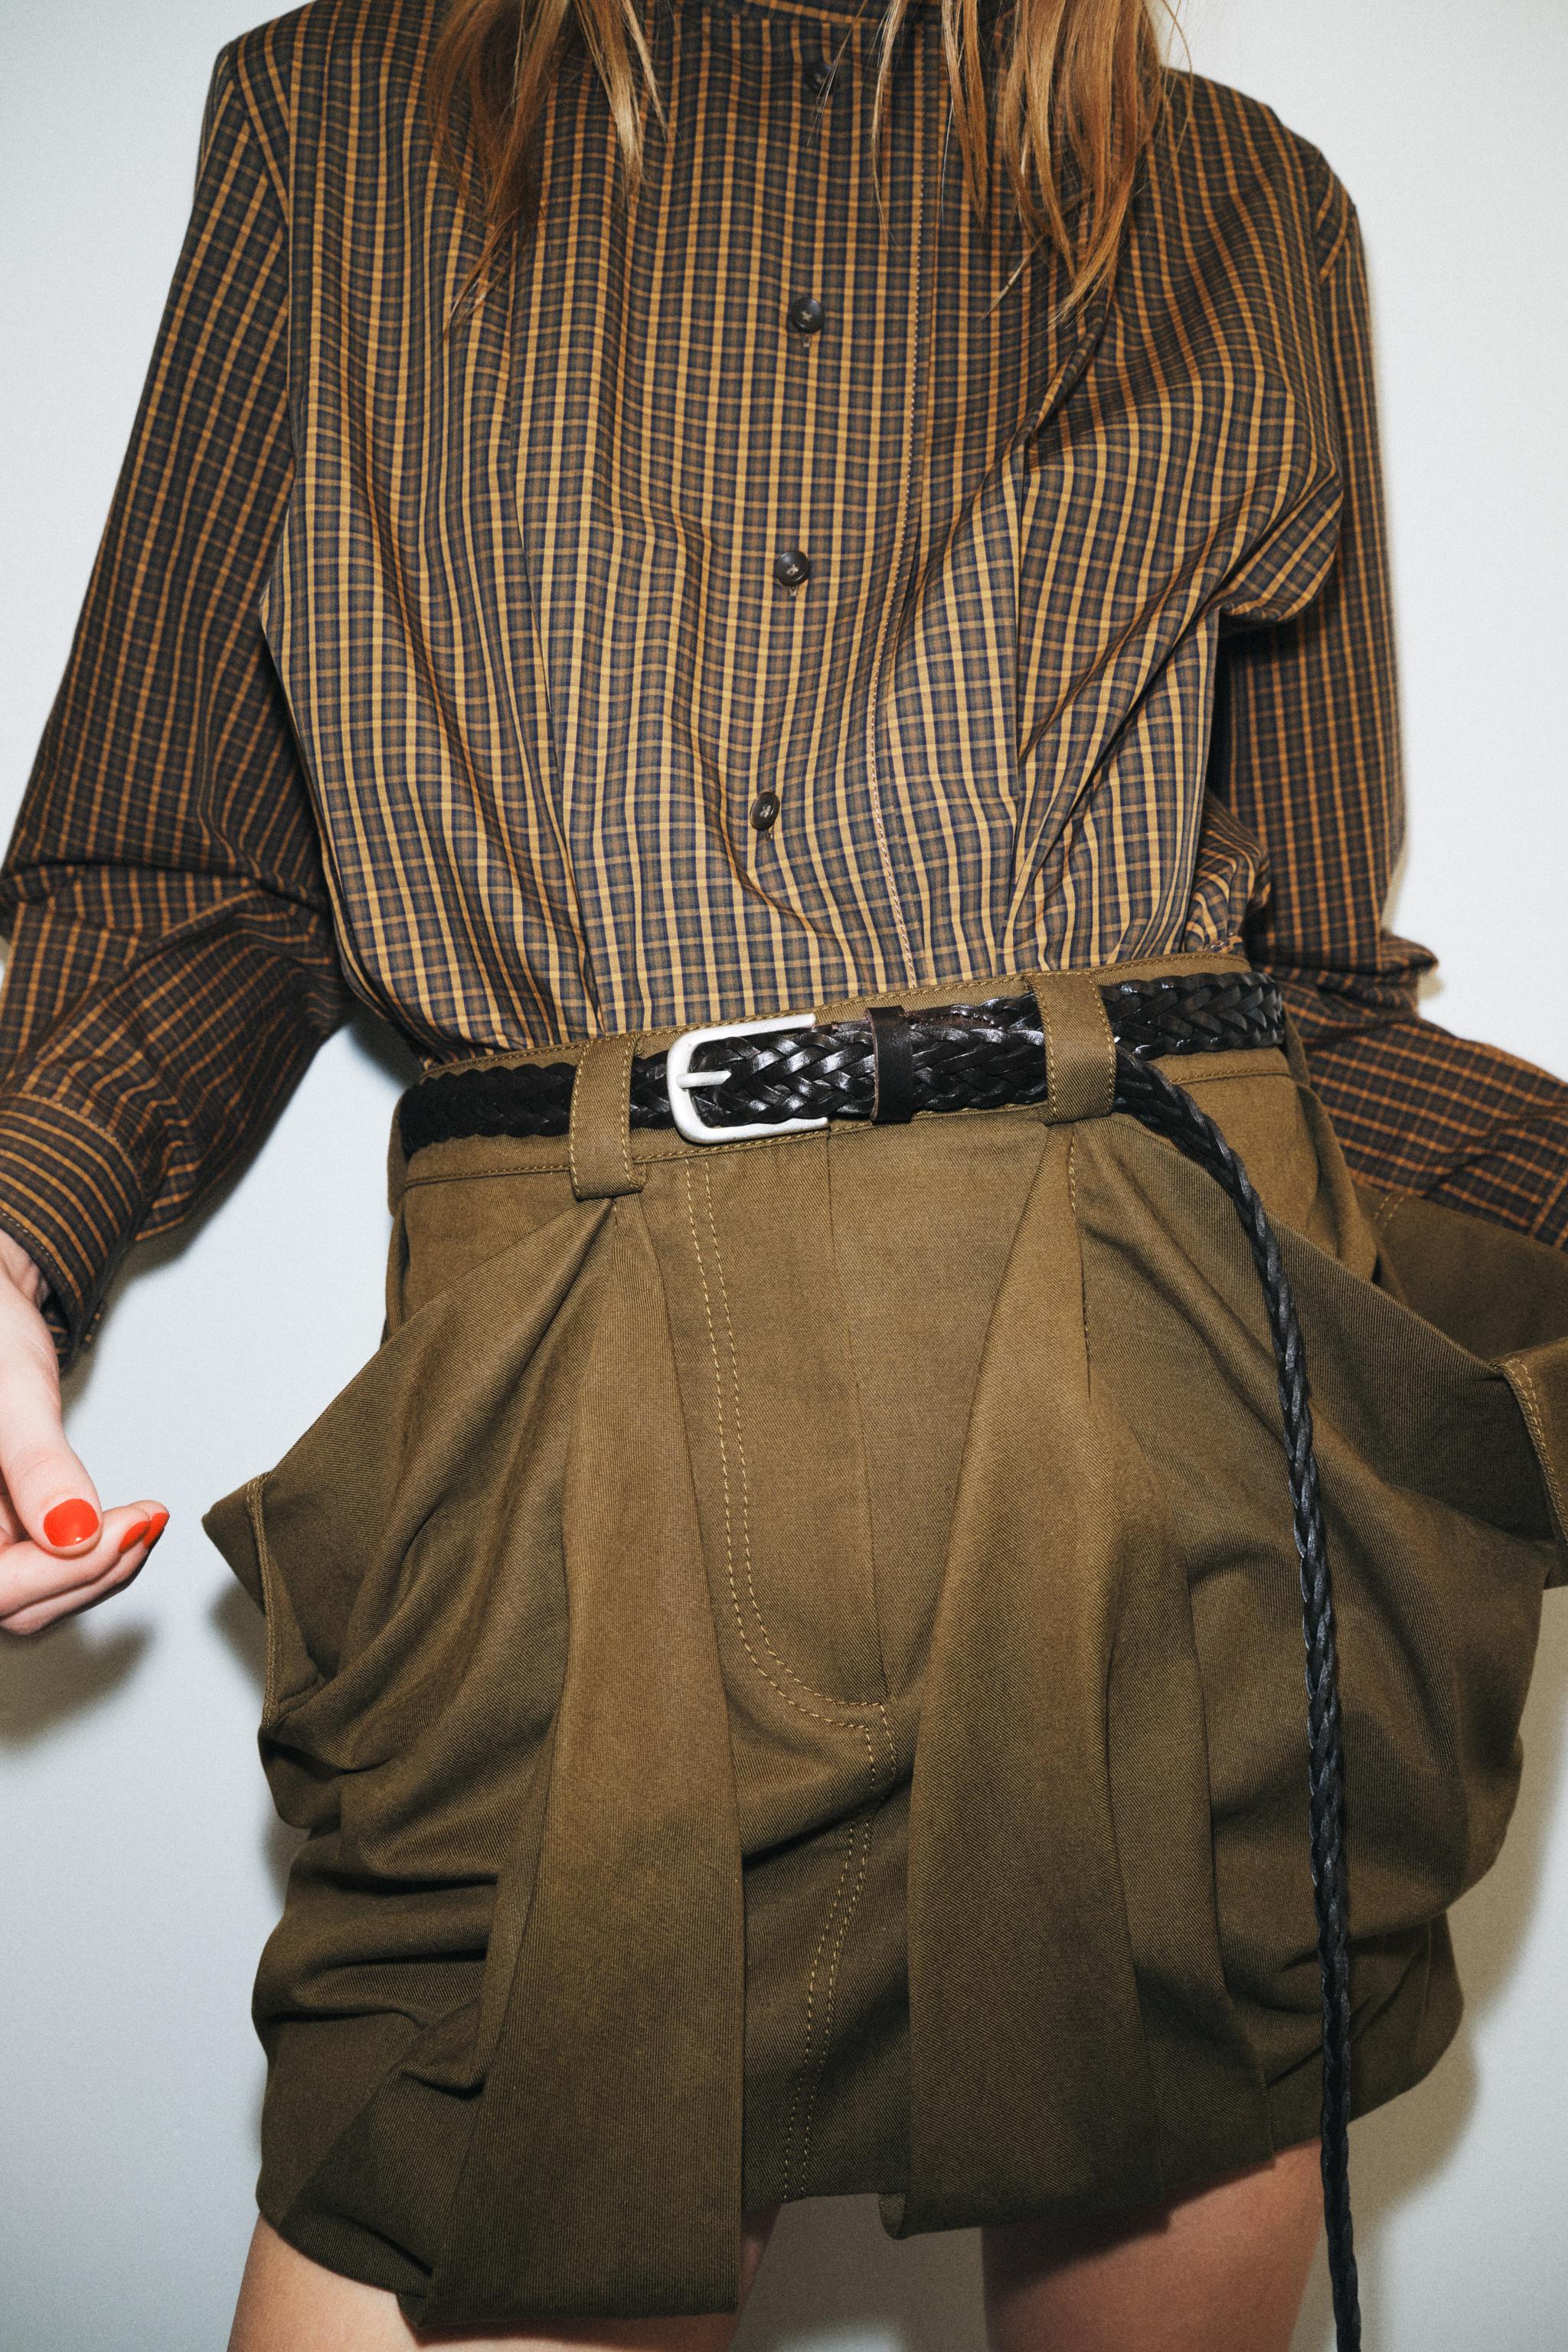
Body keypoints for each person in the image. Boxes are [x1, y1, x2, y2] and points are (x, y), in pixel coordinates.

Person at [2, 2, 1566, 2348]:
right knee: (450, 2188)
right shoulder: (332, 124)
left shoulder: (1249, 200)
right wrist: (14, 1236)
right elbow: (176, 870)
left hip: (1159, 1417)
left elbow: (1311, 994)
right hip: (582, 1402)